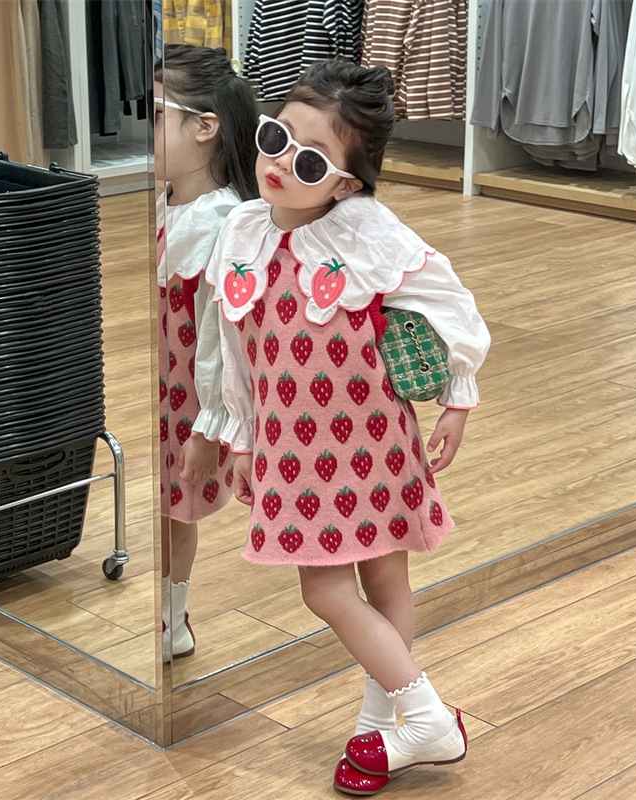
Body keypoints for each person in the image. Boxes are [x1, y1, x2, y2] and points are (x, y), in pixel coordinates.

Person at [194, 59, 490, 794]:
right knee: (354, 584)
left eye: (310, 161)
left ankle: (422, 720)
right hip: (294, 449)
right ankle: (387, 725)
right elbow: (233, 346)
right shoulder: (241, 229)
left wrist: (458, 395)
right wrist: (241, 436)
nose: (279, 163)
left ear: (347, 184)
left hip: (374, 436)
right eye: (274, 138)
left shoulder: (368, 232)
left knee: (354, 583)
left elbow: (450, 301)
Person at [155, 44, 258, 661]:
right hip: (165, 390)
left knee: (179, 508)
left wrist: (209, 427)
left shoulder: (224, 221)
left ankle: (173, 619)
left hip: (192, 400)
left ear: (204, 126)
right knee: (169, 508)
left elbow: (223, 337)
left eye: (155, 114)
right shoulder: (168, 203)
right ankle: (170, 617)